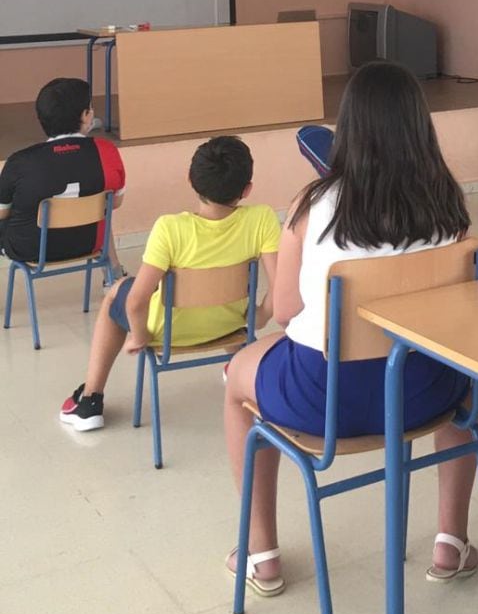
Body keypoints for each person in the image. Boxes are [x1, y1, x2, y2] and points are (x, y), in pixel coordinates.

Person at [223, 61, 478, 597]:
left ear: (350, 128)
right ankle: (450, 541)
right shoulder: (449, 205)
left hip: (323, 399)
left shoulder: (312, 204)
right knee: (467, 381)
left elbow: (287, 312)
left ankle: (260, 553)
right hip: (422, 391)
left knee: (235, 383)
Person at [58, 136, 280, 432]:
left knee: (117, 293)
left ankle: (89, 402)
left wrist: (139, 336)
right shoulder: (263, 219)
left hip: (166, 332)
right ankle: (236, 365)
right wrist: (259, 317)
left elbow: (137, 301)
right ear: (247, 189)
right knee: (226, 292)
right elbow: (279, 289)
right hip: (232, 324)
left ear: (191, 180)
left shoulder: (170, 228)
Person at [0, 77, 126, 277]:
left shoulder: (19, 162)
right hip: (90, 243)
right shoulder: (107, 151)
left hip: (31, 250)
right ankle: (114, 278)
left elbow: (2, 213)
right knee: (101, 207)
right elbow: (115, 202)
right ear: (86, 116)